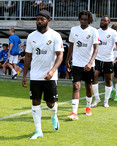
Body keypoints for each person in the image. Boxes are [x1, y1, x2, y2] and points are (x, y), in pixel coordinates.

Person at [22, 10, 64, 139]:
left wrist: (52, 71)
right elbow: (28, 56)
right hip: (35, 75)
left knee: (50, 104)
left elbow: (60, 55)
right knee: (35, 102)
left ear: (48, 21)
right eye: (38, 19)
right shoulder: (31, 36)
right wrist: (24, 75)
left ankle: (53, 115)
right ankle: (38, 131)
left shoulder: (55, 35)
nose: (39, 21)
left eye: (42, 19)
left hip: (50, 76)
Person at [66, 10, 99, 120]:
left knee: (88, 86)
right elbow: (71, 46)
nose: (83, 21)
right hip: (76, 64)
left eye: (85, 19)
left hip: (89, 65)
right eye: (81, 19)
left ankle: (88, 106)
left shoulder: (93, 31)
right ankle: (74, 112)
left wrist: (90, 63)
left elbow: (96, 49)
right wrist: (67, 60)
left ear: (89, 20)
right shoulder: (73, 30)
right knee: (76, 86)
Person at [91, 16, 117, 108]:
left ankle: (106, 100)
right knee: (93, 76)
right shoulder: (96, 32)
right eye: (101, 20)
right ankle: (97, 98)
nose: (102, 22)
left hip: (109, 59)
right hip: (97, 59)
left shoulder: (113, 32)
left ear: (109, 22)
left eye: (104, 21)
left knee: (108, 80)